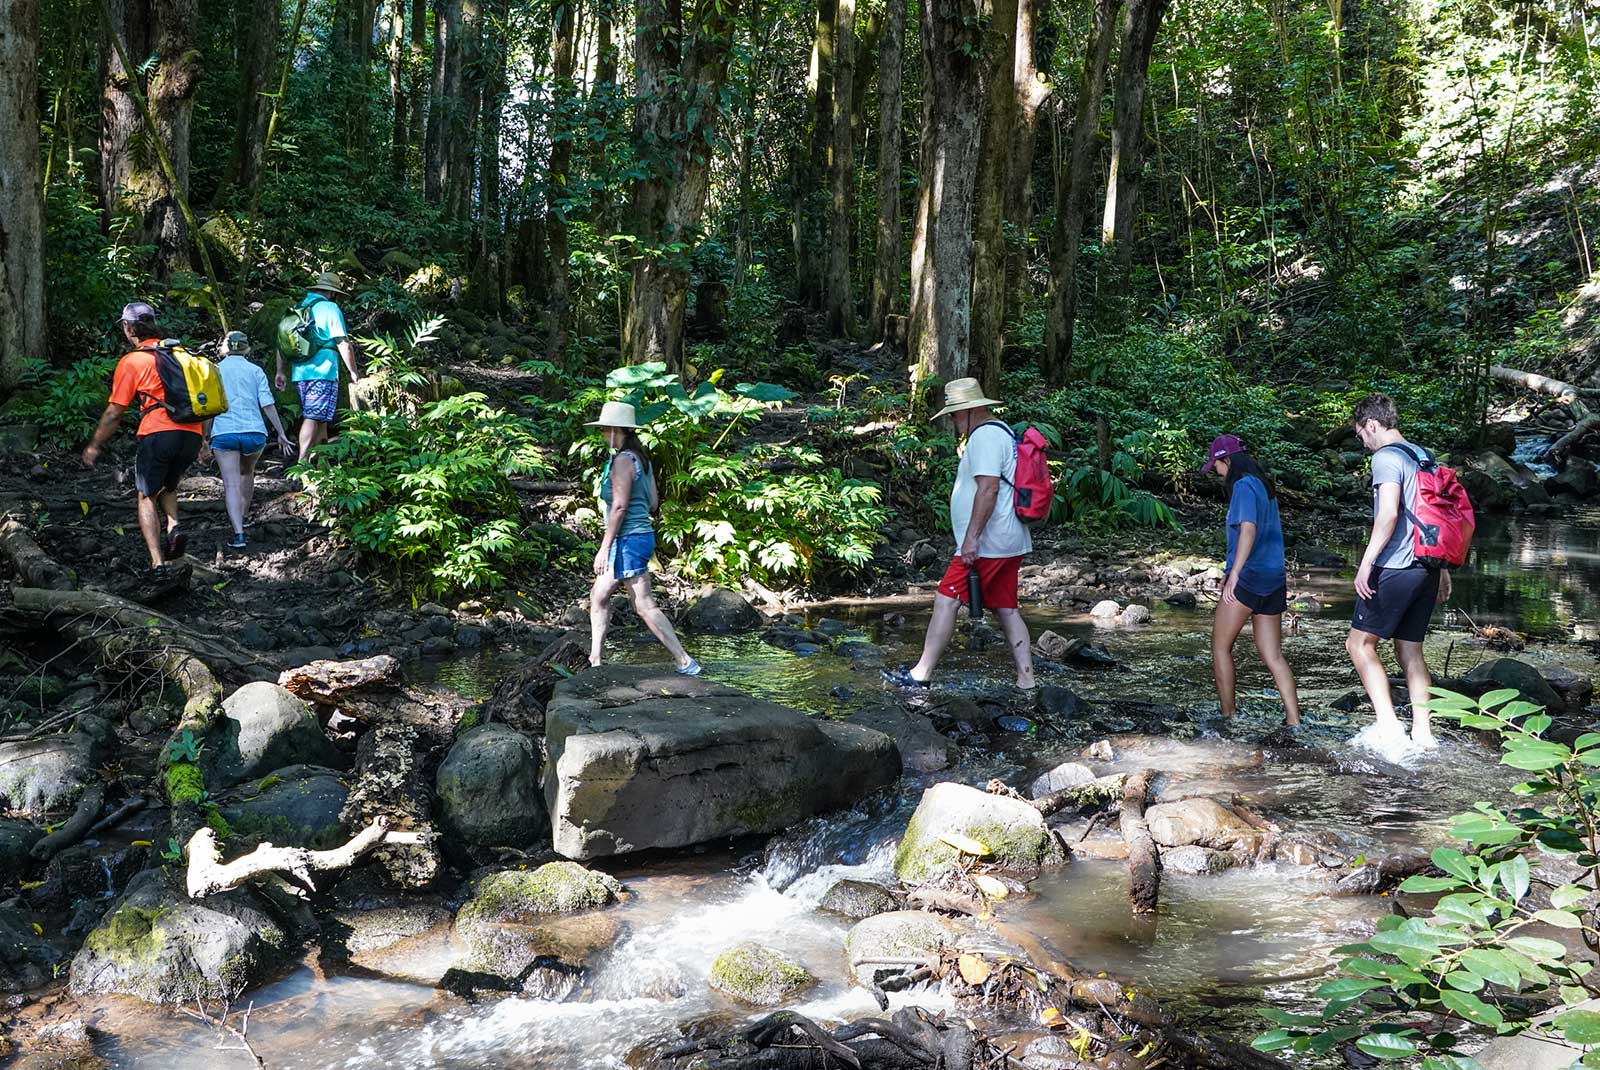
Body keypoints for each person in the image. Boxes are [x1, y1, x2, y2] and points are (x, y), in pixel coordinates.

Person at [883, 378, 1035, 690]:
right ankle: (1027, 680)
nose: (953, 420)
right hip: (1009, 540)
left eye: (954, 413)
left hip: (989, 543)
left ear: (971, 410)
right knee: (1006, 609)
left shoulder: (985, 438)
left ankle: (920, 674)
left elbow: (989, 489)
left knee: (945, 599)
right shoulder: (1001, 432)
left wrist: (971, 538)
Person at [1346, 393, 1450, 750]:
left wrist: (1367, 561)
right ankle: (1423, 732)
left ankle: (1388, 725)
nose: (1363, 442)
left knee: (1359, 643)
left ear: (1371, 425)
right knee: (1411, 650)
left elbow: (1388, 514)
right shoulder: (1423, 455)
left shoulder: (1386, 457)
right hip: (1426, 565)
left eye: (1362, 435)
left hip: (1396, 565)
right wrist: (1442, 568)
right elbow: (1437, 516)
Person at [81, 302, 202, 575]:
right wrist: (203, 440)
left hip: (158, 432)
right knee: (168, 487)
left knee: (146, 496)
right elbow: (199, 396)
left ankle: (158, 563)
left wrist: (95, 445)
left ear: (128, 327)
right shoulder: (180, 353)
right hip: (191, 434)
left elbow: (114, 413)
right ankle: (174, 526)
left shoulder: (133, 361)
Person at [586, 401, 701, 676]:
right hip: (639, 536)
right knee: (599, 595)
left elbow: (620, 507)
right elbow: (652, 503)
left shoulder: (624, 461)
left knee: (644, 604)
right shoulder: (641, 458)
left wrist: (604, 548)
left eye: (604, 429)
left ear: (615, 430)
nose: (602, 434)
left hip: (628, 539)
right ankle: (595, 660)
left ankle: (685, 661)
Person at [1201, 435, 1301, 726]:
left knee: (1220, 647)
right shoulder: (1264, 486)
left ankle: (1228, 715)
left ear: (1227, 460)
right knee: (1274, 656)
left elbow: (1248, 530)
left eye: (1216, 465)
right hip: (1273, 580)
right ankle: (1294, 720)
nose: (1217, 472)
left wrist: (1233, 574)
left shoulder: (1243, 486)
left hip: (1248, 579)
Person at [203, 331, 294, 549]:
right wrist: (280, 433)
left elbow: (209, 409)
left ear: (224, 349)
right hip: (255, 433)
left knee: (231, 484)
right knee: (247, 472)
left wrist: (204, 437)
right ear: (246, 349)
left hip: (224, 433)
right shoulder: (255, 370)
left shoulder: (213, 371)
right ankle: (243, 515)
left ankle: (239, 534)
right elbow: (267, 404)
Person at [275, 271, 362, 458]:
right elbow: (343, 343)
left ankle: (323, 463)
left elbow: (282, 344)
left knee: (321, 418)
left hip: (299, 373)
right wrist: (353, 372)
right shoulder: (330, 308)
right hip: (323, 372)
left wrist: (280, 371)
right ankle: (302, 463)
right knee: (313, 416)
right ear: (332, 292)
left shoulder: (298, 308)